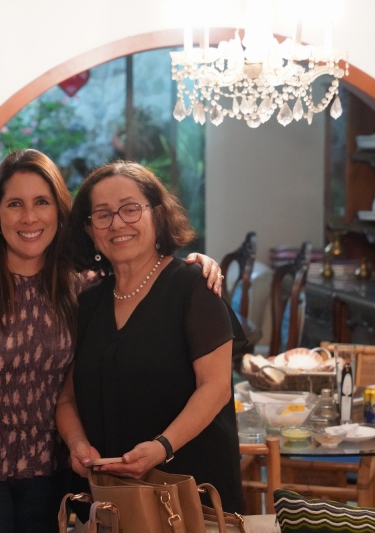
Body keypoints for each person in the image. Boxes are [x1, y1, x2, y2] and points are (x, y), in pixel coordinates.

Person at [0, 149, 225, 533]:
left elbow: (144, 278)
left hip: (53, 471)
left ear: (59, 214)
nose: (29, 217)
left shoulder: (80, 287)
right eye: (15, 204)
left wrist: (197, 263)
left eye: (41, 202)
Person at [56, 160, 247, 515]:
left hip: (188, 495)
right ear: (89, 229)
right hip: (109, 499)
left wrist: (162, 447)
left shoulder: (194, 285)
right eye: (102, 214)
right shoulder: (88, 302)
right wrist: (77, 443)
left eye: (130, 209)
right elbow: (66, 398)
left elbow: (216, 386)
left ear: (157, 215)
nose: (117, 224)